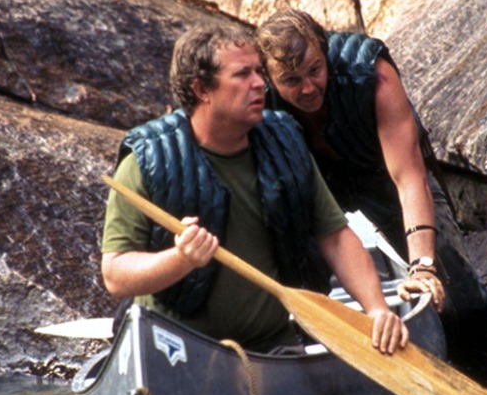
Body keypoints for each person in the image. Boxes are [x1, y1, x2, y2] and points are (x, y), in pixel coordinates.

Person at [100, 23, 439, 354]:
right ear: (202, 90)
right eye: (242, 75)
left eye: (259, 72)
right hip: (176, 352)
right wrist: (180, 259)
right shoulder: (147, 161)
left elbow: (335, 238)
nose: (261, 83)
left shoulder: (285, 142)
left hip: (271, 348)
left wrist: (376, 308)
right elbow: (115, 275)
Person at [256, 9, 487, 375]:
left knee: (462, 302)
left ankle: (484, 380)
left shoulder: (372, 73)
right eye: (290, 79)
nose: (307, 88)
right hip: (311, 187)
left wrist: (424, 267)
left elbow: (409, 177)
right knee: (301, 289)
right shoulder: (256, 98)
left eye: (314, 71)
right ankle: (312, 372)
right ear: (268, 77)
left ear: (324, 51)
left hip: (384, 176)